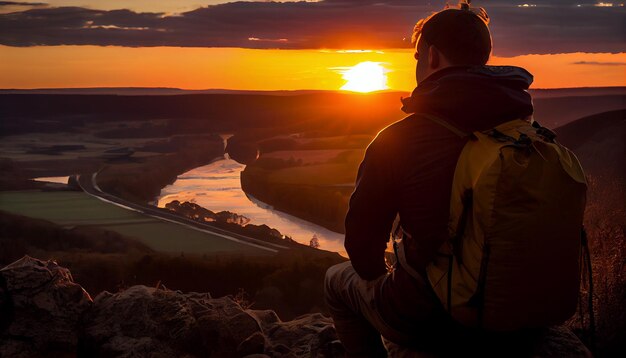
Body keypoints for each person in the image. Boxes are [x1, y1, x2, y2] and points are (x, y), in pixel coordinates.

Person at [324, 2, 539, 356]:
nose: (418, 65)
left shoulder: (399, 139)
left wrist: (396, 275)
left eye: (417, 56)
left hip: (430, 313)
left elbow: (362, 254)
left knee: (337, 279)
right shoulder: (522, 132)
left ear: (433, 57)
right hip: (513, 303)